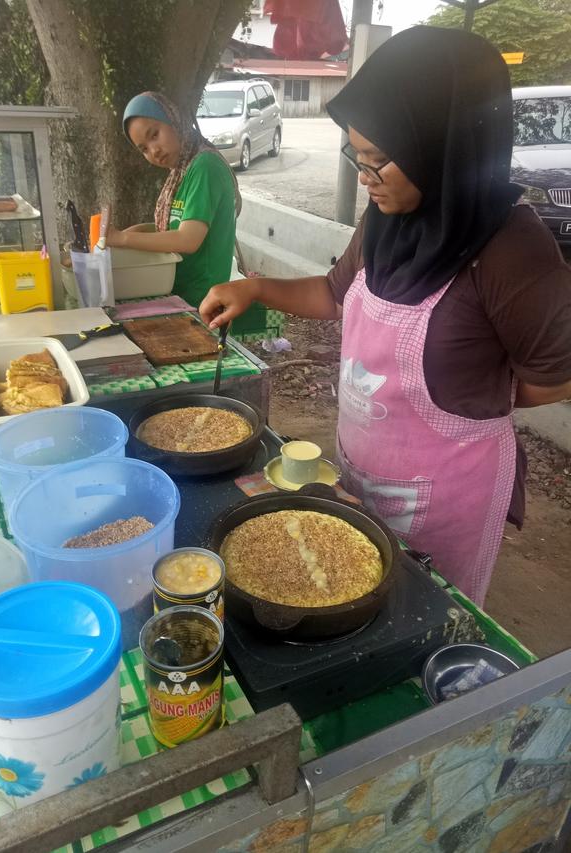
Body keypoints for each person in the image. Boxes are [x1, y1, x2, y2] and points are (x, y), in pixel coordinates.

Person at [199, 26, 571, 606]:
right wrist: (257, 289)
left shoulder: (511, 249)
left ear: (442, 146)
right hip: (362, 469)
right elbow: (334, 294)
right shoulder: (386, 218)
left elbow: (555, 377)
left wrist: (472, 396)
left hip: (447, 494)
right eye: (358, 157)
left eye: (379, 161)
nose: (364, 176)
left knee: (421, 616)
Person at [106, 91, 240, 307]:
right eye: (144, 149)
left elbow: (187, 239)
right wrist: (139, 230)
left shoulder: (205, 166)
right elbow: (175, 225)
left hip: (202, 302)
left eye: (154, 135)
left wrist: (122, 238)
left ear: (174, 120)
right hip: (178, 295)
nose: (154, 151)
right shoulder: (181, 171)